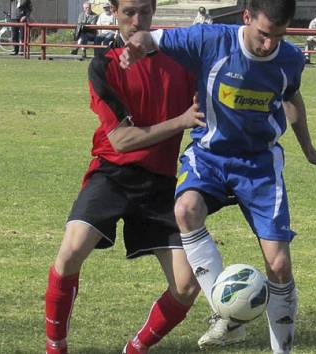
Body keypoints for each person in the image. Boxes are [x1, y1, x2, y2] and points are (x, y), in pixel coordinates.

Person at [120, 0, 316, 352]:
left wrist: (310, 150)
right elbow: (156, 39)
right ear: (246, 18)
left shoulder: (289, 59)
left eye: (279, 36)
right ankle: (226, 314)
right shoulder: (210, 40)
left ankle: (281, 350)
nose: (269, 45)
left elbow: (291, 97)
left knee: (280, 265)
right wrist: (138, 44)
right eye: (263, 34)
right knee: (185, 210)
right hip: (210, 157)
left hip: (259, 166)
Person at [44, 0, 205, 353]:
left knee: (187, 285)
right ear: (114, 12)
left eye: (144, 12)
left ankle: (136, 348)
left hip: (161, 183)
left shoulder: (180, 55)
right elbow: (121, 139)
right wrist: (181, 120)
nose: (137, 21)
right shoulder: (104, 65)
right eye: (128, 12)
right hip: (112, 173)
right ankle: (55, 346)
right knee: (70, 251)